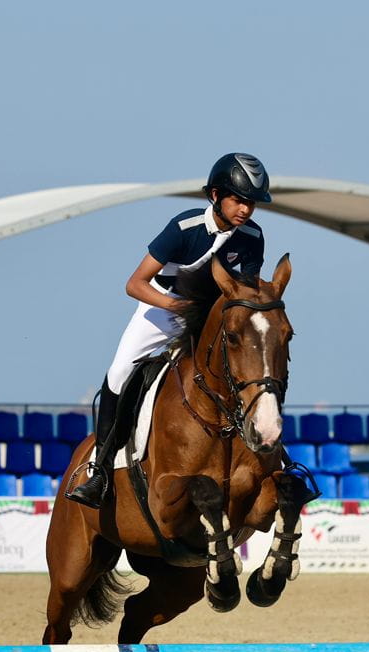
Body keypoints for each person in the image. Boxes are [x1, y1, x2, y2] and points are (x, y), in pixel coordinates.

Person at [66, 152, 270, 508]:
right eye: (238, 199)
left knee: (254, 366)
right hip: (163, 306)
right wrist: (178, 308)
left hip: (213, 316)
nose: (245, 210)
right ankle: (99, 470)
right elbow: (135, 283)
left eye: (251, 203)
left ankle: (266, 457)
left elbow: (243, 293)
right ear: (214, 196)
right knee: (118, 373)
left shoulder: (252, 236)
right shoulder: (184, 228)